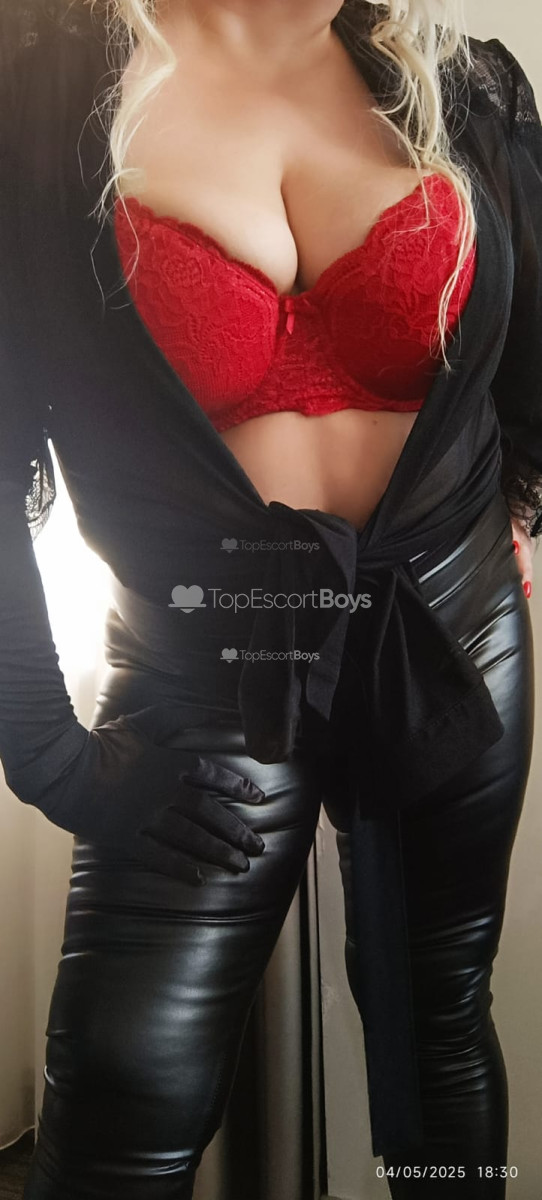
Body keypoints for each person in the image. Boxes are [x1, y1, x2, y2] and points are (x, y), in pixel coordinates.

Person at [0, 0, 541, 1195]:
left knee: (433, 1037)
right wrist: (47, 753)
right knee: (122, 1083)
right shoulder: (40, 95)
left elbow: (525, 354)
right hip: (204, 668)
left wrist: (503, 520)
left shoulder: (460, 81)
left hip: (446, 635)